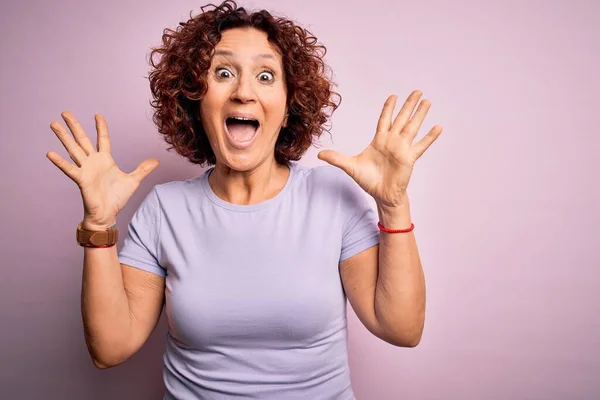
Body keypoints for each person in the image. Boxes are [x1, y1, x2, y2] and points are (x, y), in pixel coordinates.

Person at [46, 1, 443, 398]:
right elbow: (109, 350)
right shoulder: (164, 209)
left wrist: (393, 205)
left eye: (266, 76)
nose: (243, 92)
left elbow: (402, 330)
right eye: (222, 73)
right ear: (195, 100)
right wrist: (98, 226)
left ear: (289, 108)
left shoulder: (331, 198)